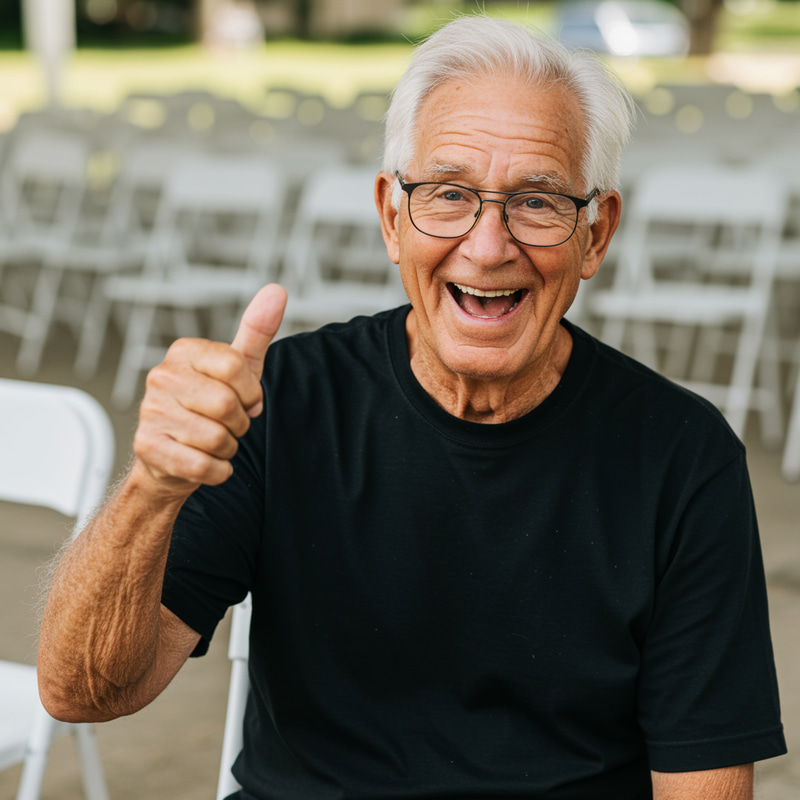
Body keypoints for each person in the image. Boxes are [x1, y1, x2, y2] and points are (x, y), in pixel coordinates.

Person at [37, 15, 785, 800]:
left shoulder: (683, 458)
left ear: (595, 236)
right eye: (450, 194)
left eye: (536, 201)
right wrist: (151, 490)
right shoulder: (281, 402)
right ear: (392, 217)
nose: (488, 245)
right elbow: (83, 691)